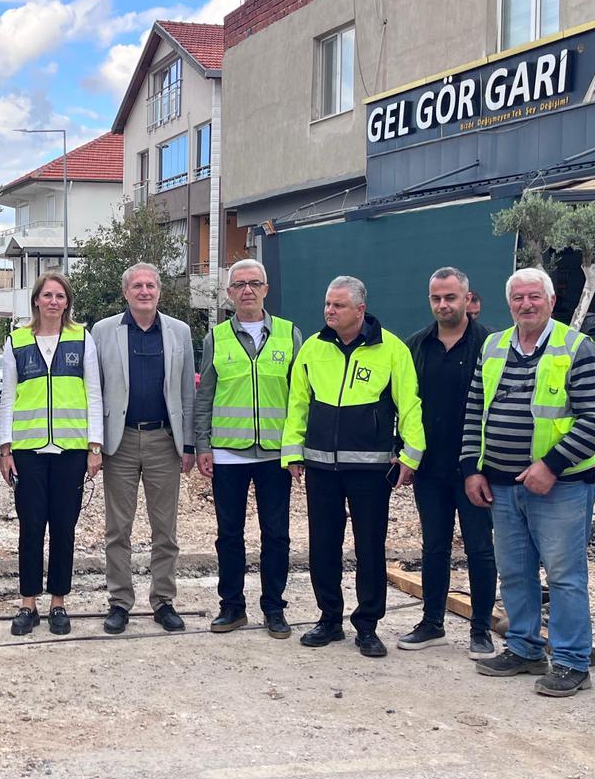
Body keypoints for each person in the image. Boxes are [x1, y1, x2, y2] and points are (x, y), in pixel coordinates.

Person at [465, 267, 595, 697]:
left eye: (534, 297)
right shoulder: (492, 346)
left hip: (561, 486)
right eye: (518, 298)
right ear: (508, 303)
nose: (526, 305)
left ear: (550, 300)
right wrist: (471, 468)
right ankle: (524, 647)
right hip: (502, 485)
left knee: (565, 576)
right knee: (514, 572)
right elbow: (475, 411)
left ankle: (571, 661)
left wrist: (551, 465)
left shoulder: (575, 347)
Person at [283, 276, 424, 658]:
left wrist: (411, 455)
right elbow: (298, 404)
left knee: (369, 548)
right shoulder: (312, 348)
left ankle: (367, 626)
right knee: (323, 546)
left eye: (338, 305)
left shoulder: (391, 349)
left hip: (371, 469)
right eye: (328, 304)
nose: (330, 311)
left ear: (360, 309)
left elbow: (409, 405)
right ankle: (329, 619)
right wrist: (292, 453)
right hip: (320, 467)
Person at [194, 260, 301, 637]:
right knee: (229, 534)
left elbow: (301, 397)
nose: (247, 291)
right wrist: (202, 444)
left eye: (254, 283)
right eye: (239, 285)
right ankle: (232, 607)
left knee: (276, 534)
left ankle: (274, 608)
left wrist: (296, 449)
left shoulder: (290, 335)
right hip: (228, 453)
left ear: (266, 289)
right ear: (229, 294)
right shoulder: (216, 338)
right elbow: (204, 394)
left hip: (275, 455)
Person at [92, 263, 195, 634]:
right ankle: (120, 601)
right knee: (118, 529)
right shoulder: (103, 332)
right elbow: (94, 390)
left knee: (164, 529)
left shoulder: (179, 332)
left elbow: (187, 391)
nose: (144, 291)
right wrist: (95, 443)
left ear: (160, 291)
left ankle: (163, 600)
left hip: (163, 441)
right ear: (126, 293)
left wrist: (189, 444)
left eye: (151, 285)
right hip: (118, 442)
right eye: (137, 286)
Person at [399, 267, 496, 659]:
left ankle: (481, 629)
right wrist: (403, 451)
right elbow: (404, 405)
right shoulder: (416, 346)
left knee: (480, 549)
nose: (443, 304)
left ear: (468, 299)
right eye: (436, 298)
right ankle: (432, 622)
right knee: (434, 547)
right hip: (430, 468)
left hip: (476, 468)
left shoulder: (491, 345)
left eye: (450, 297)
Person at [0, 273, 103, 634]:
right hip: (28, 450)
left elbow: (94, 394)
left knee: (63, 527)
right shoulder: (17, 341)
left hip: (71, 450)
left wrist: (95, 446)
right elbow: (8, 398)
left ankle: (58, 601)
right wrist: (5, 448)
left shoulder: (82, 338)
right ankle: (28, 603)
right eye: (48, 295)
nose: (54, 301)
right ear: (37, 301)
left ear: (67, 302)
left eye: (60, 296)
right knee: (30, 527)